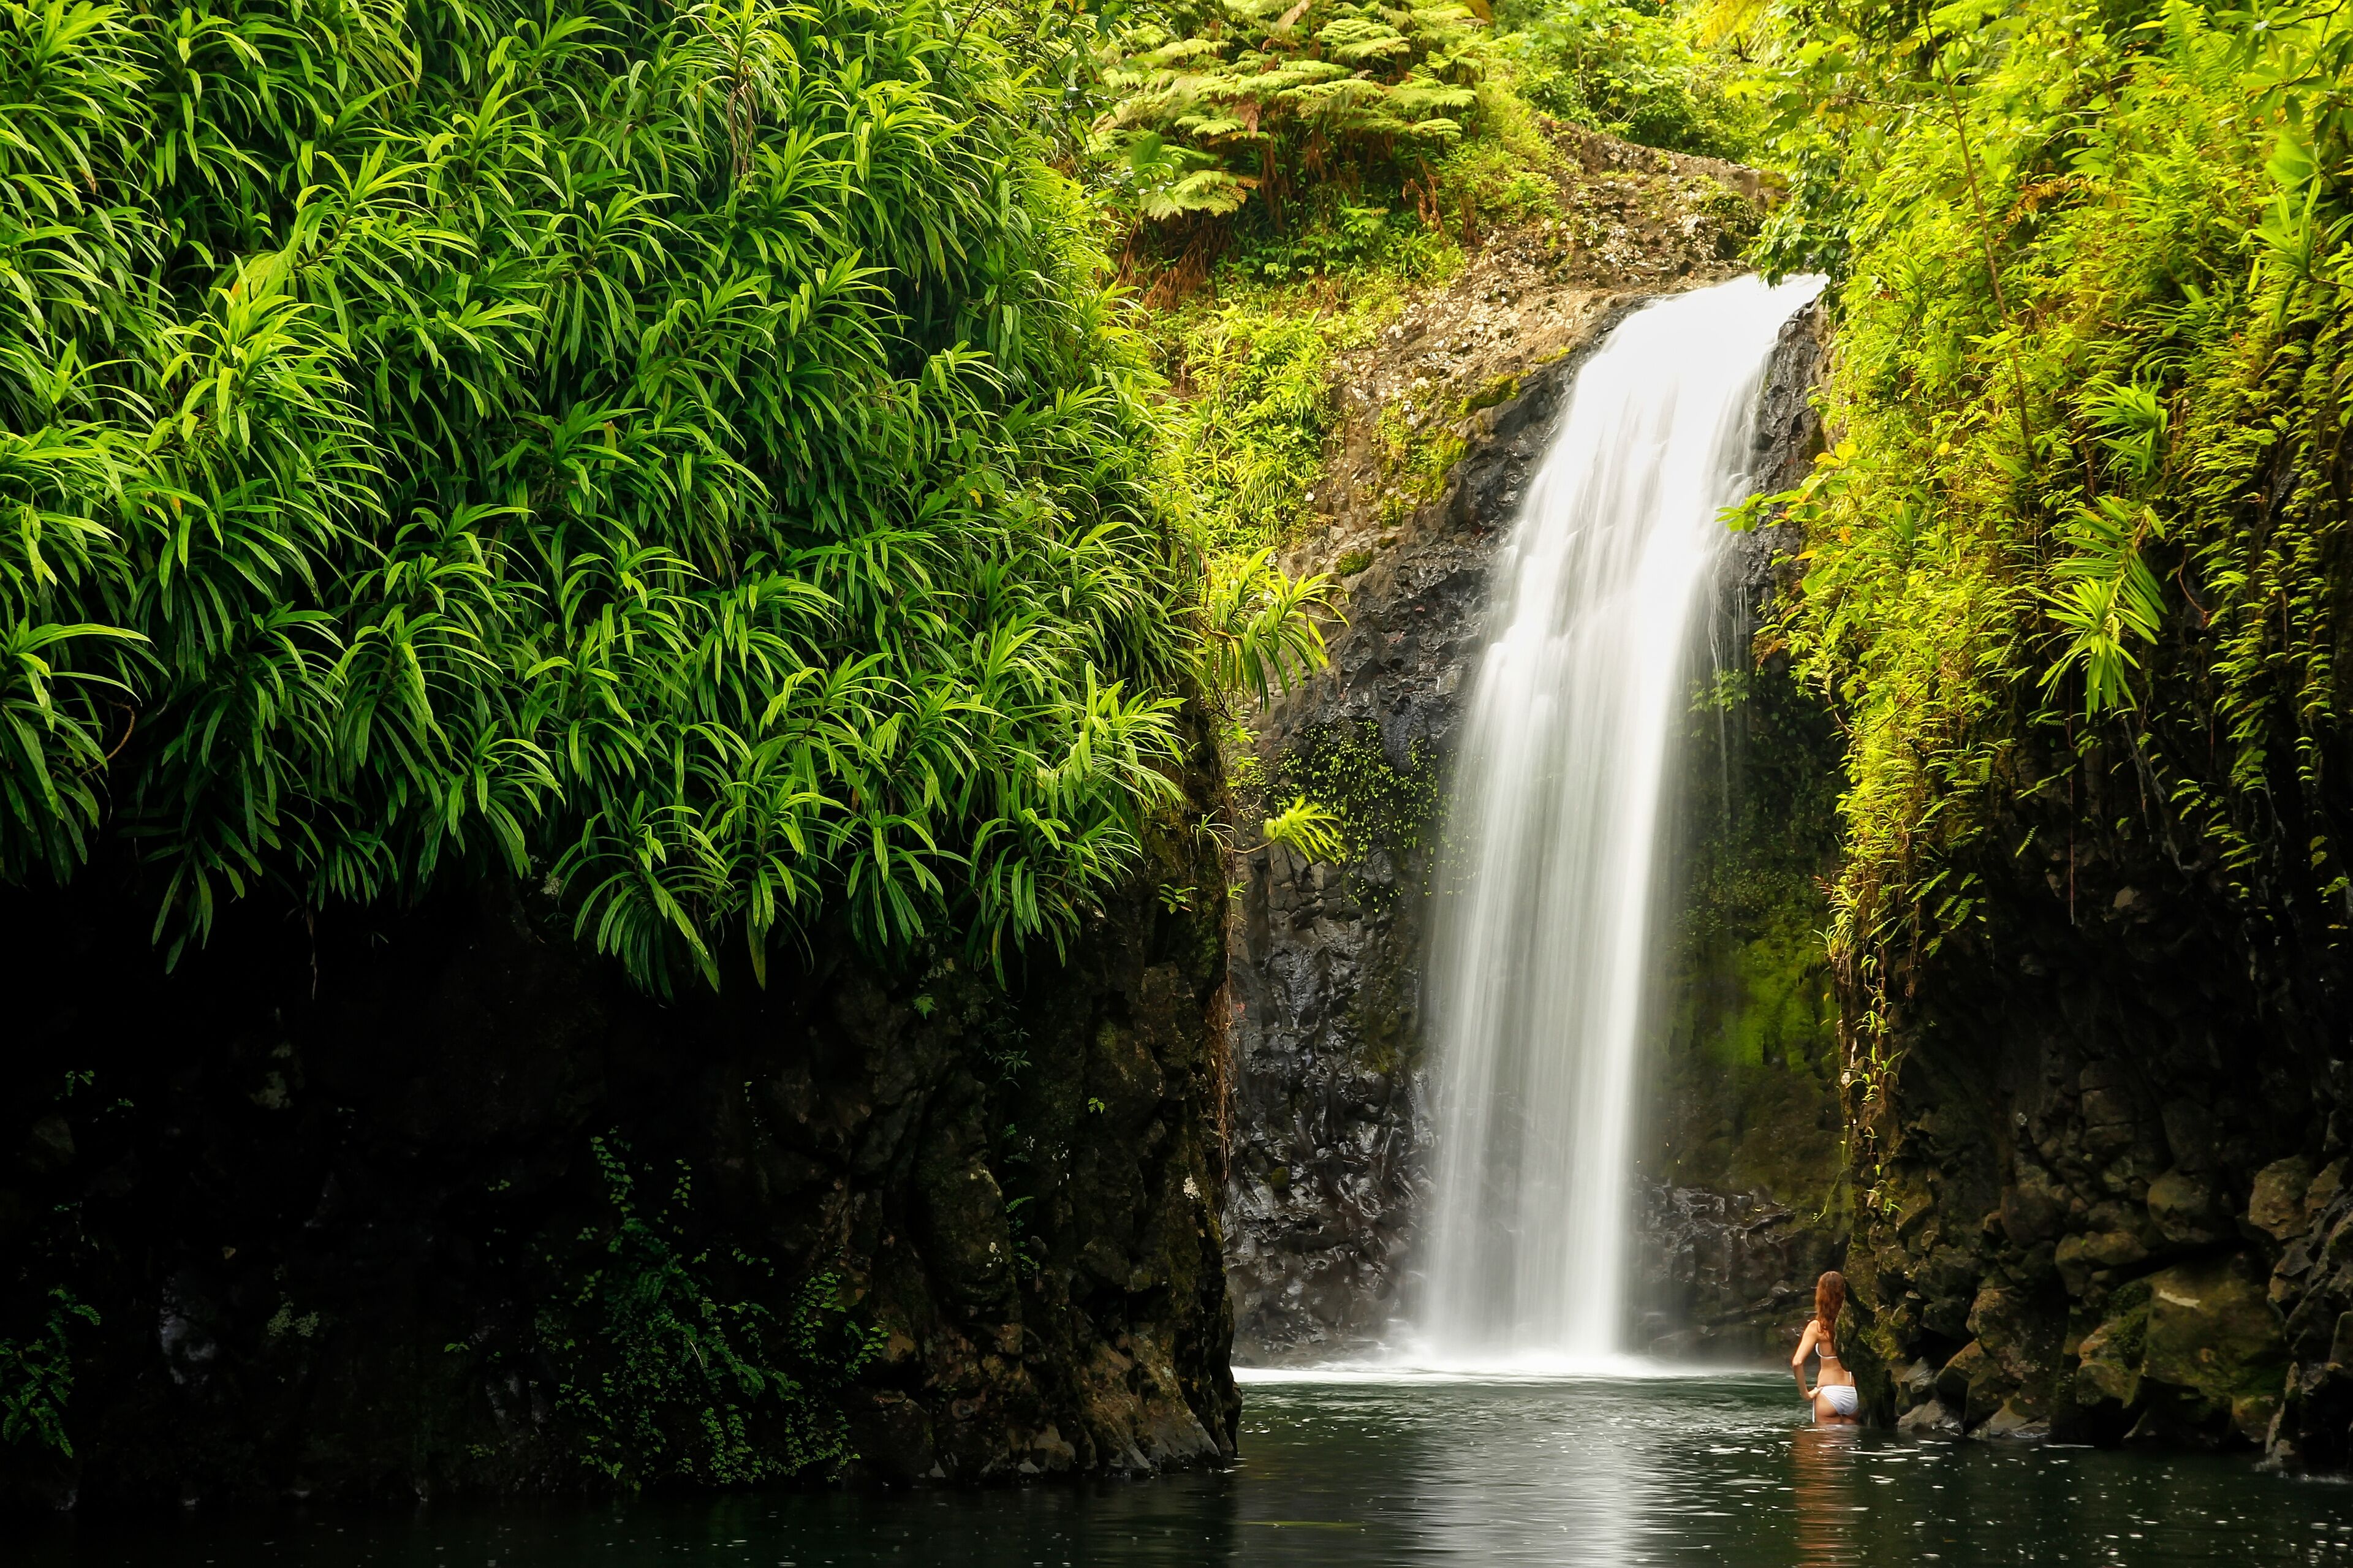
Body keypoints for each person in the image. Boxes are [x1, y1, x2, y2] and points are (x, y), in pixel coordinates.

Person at [1792, 1269, 1859, 1424]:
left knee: (1825, 1446)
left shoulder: (1818, 1327)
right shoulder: (1854, 1323)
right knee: (1850, 1446)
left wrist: (1806, 1394)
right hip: (1854, 1393)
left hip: (1829, 1393)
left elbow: (1797, 1362)